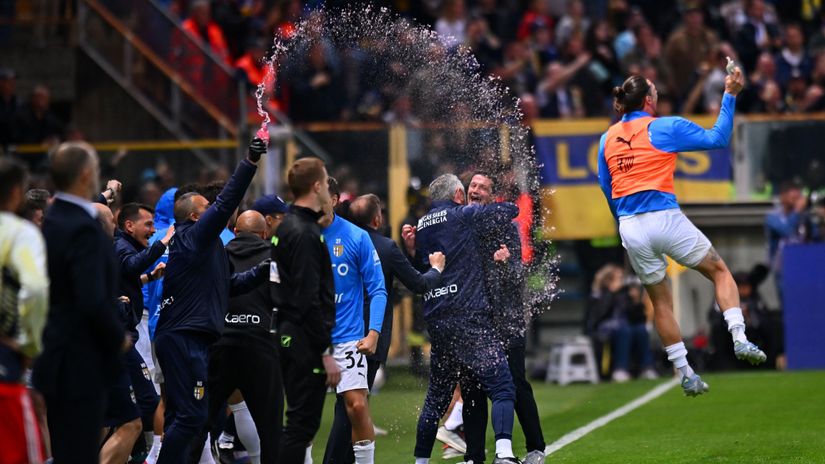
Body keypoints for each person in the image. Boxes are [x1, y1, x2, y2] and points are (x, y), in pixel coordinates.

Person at [597, 72, 766, 397]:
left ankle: (685, 372)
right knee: (719, 271)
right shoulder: (664, 126)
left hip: (631, 226)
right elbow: (718, 138)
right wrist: (730, 94)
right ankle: (739, 337)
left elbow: (606, 187)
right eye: (656, 90)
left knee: (660, 301)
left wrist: (622, 222)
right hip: (665, 217)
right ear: (648, 100)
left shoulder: (607, 138)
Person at [154, 138, 267, 463]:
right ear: (193, 216)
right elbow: (225, 201)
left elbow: (229, 285)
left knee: (184, 416)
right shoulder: (194, 237)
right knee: (192, 416)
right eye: (207, 209)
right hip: (184, 338)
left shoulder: (204, 248)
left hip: (187, 337)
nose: (215, 211)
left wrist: (265, 271)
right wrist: (249, 162)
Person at [320, 193, 444, 463]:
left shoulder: (332, 238)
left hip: (332, 333)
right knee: (350, 409)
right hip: (366, 338)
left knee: (347, 407)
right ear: (377, 219)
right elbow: (419, 284)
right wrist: (436, 269)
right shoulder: (385, 247)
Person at [406, 174, 520, 464]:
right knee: (502, 385)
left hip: (438, 319)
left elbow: (422, 267)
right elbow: (510, 211)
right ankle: (504, 454)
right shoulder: (463, 214)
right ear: (459, 193)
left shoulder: (420, 226)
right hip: (468, 315)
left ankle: (420, 462)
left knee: (436, 397)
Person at [33, 142, 129, 462]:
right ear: (87, 174)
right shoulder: (82, 229)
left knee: (64, 449)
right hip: (80, 360)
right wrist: (118, 337)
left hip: (54, 352)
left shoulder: (52, 221)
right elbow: (91, 298)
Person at [459, 173, 546, 464]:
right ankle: (473, 456)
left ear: (491, 196)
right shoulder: (461, 227)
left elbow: (519, 277)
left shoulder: (506, 228)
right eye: (473, 185)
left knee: (516, 384)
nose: (476, 190)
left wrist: (507, 263)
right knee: (471, 387)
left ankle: (536, 448)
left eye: (483, 187)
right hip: (475, 323)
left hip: (506, 322)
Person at [194, 210, 283, 464]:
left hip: (219, 346)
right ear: (264, 233)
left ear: (234, 231)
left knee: (200, 424)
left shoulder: (217, 256)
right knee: (271, 430)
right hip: (261, 347)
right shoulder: (273, 258)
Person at [270, 157, 337, 464]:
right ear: (317, 186)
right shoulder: (305, 234)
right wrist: (325, 351)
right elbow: (306, 298)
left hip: (287, 331)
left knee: (299, 424)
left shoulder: (289, 227)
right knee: (300, 425)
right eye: (325, 181)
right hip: (303, 338)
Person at [317, 179, 388, 464]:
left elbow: (378, 289)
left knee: (357, 407)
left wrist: (373, 333)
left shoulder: (357, 237)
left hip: (348, 338)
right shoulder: (297, 234)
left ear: (333, 199)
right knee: (304, 416)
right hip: (310, 338)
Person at [114, 203, 171, 460]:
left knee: (130, 405)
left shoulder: (126, 246)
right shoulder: (122, 246)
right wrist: (164, 242)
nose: (153, 230)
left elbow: (127, 276)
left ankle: (140, 452)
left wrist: (150, 278)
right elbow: (129, 266)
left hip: (126, 336)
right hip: (119, 339)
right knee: (147, 399)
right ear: (129, 226)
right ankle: (146, 454)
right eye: (148, 225)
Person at [0, 158, 48, 464]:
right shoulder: (21, 232)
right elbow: (35, 290)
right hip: (7, 371)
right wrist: (30, 345)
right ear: (17, 192)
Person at [94, 201, 144, 464]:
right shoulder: (100, 256)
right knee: (131, 423)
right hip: (106, 348)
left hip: (88, 352)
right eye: (112, 221)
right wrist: (117, 305)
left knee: (104, 422)